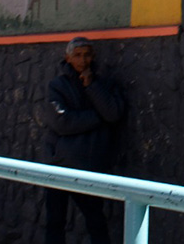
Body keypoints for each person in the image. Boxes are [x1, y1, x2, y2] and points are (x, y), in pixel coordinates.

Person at [43, 37, 123, 244]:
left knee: (96, 222)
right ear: (68, 58)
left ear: (93, 57)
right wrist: (98, 117)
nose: (83, 60)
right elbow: (61, 122)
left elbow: (113, 113)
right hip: (59, 165)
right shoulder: (57, 86)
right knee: (55, 222)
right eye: (77, 55)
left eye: (87, 54)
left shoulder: (104, 84)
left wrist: (92, 87)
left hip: (90, 165)